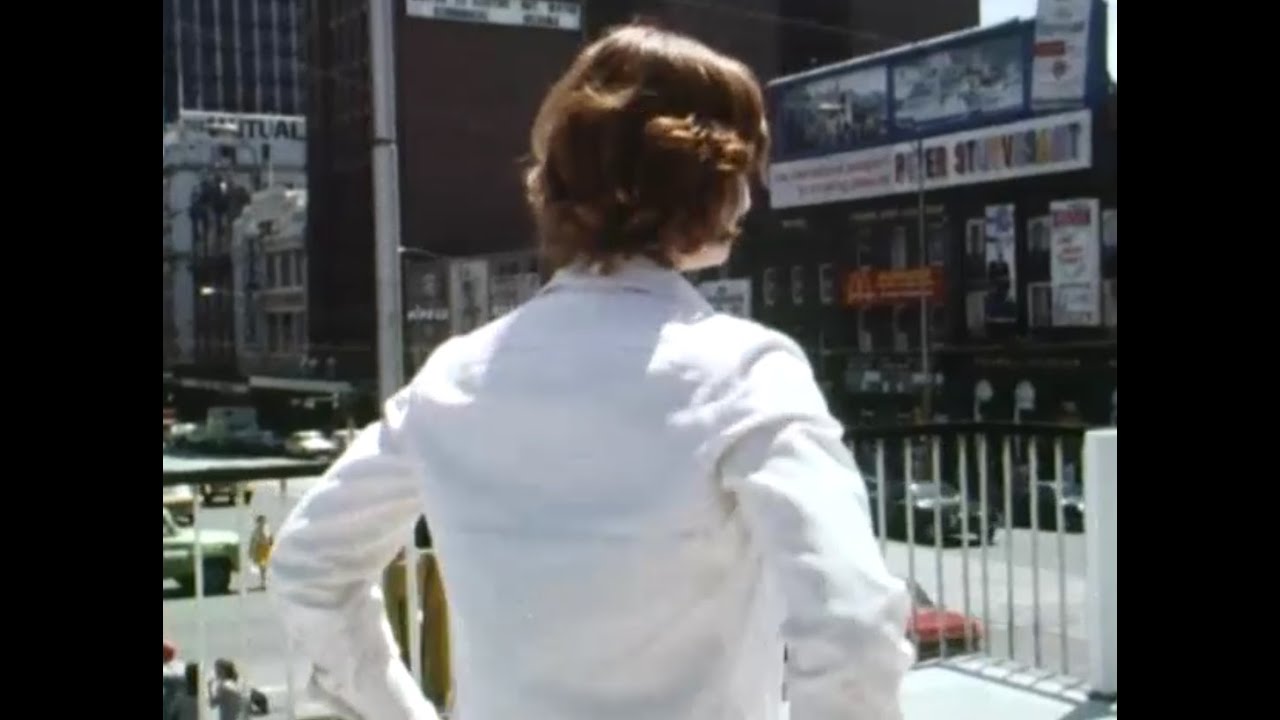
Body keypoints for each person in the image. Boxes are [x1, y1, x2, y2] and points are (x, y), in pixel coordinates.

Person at [269, 23, 913, 720]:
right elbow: (853, 625)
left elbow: (309, 563)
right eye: (743, 169)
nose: (750, 198)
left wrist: (400, 709)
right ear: (703, 181)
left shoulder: (454, 377)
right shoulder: (747, 372)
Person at [249, 515, 272, 589]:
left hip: (261, 549)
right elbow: (270, 540)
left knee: (262, 567)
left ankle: (263, 583)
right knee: (263, 567)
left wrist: (251, 551)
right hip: (264, 549)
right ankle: (264, 582)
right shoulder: (266, 528)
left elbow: (254, 541)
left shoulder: (258, 529)